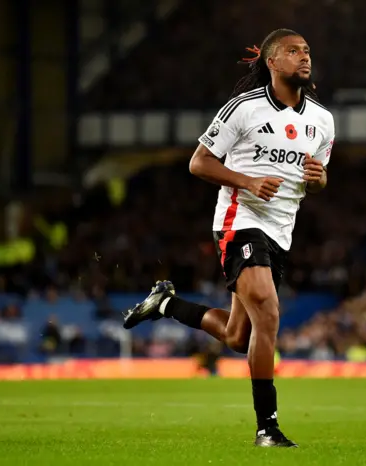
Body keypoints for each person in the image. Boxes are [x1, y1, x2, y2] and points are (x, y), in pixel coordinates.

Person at [122, 29, 335, 447]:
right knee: (269, 314)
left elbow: (318, 181)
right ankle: (267, 428)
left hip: (281, 232)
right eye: (293, 52)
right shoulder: (244, 109)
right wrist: (246, 181)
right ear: (273, 62)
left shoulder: (322, 121)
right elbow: (198, 163)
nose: (304, 58)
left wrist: (320, 179)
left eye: (307, 51)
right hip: (240, 220)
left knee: (240, 337)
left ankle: (165, 302)